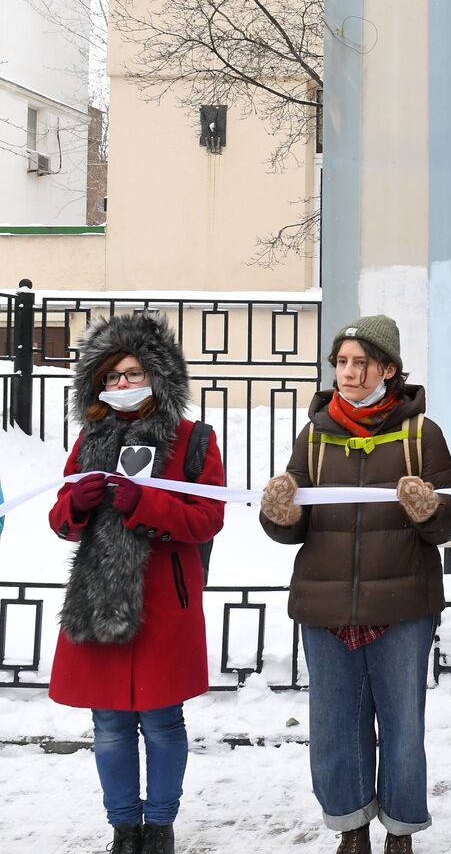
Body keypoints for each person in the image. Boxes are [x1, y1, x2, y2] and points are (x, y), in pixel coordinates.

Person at [259, 315, 451, 854]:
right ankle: (351, 829)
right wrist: (279, 513)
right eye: (341, 363)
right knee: (336, 728)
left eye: (359, 364)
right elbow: (292, 525)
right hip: (326, 606)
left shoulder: (422, 435)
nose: (347, 374)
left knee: (403, 728)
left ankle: (400, 833)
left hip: (401, 606)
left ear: (388, 370)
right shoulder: (315, 436)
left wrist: (429, 509)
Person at [48, 313, 225, 854]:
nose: (122, 385)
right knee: (109, 724)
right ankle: (124, 828)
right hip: (99, 600)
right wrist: (75, 504)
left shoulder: (194, 439)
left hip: (162, 604)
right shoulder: (90, 438)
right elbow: (59, 520)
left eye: (133, 373)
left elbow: (208, 518)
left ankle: (160, 826)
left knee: (163, 719)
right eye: (112, 377)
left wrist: (145, 503)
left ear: (158, 375)